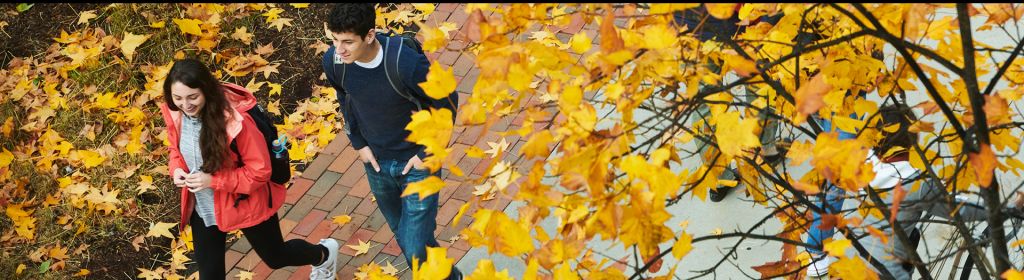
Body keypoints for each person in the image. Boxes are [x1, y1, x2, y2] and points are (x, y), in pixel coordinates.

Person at [160, 59, 340, 280]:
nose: (185, 105)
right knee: (210, 275)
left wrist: (213, 181)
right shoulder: (175, 112)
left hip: (245, 201)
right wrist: (176, 167)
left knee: (276, 258)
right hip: (204, 207)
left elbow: (260, 171)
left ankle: (323, 254)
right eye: (177, 98)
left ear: (206, 90)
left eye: (192, 97)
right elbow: (174, 147)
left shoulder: (237, 122)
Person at [321, 3, 461, 279]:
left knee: (413, 242)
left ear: (370, 35)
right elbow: (343, 97)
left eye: (347, 42)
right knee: (405, 235)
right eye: (335, 40)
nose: (339, 50)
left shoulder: (405, 63)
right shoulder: (335, 62)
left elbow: (447, 100)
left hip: (418, 163)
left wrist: (427, 151)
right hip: (377, 163)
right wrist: (358, 142)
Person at [830, 104, 1018, 279]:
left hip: (840, 265)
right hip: (883, 275)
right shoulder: (916, 184)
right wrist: (1010, 208)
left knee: (911, 237)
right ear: (913, 138)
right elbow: (961, 209)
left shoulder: (858, 165)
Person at [673, 5, 783, 202]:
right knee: (759, 84)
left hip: (687, 26)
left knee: (704, 102)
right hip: (738, 24)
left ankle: (720, 178)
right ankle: (766, 149)